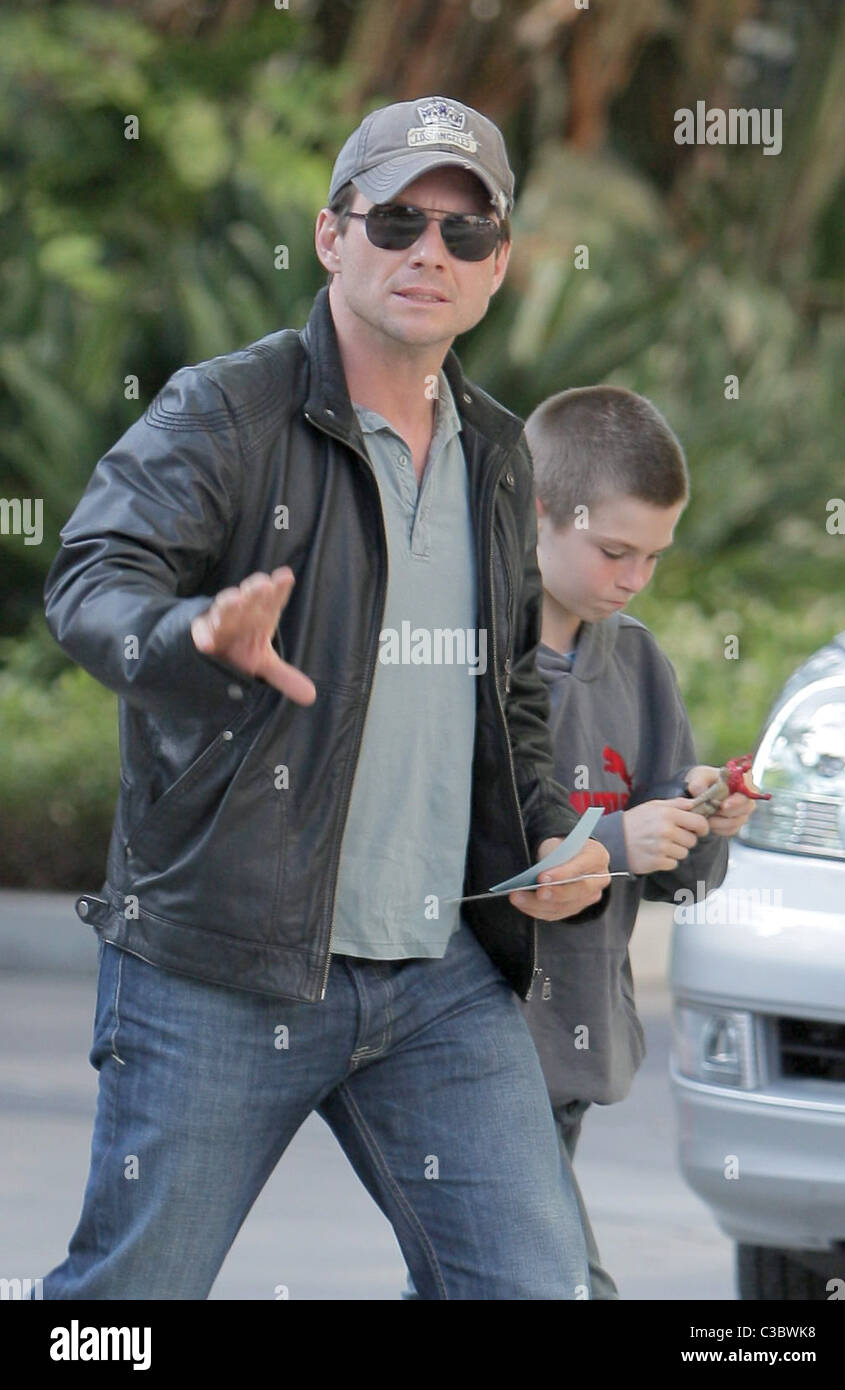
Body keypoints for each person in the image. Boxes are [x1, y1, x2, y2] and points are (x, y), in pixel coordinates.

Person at [37, 96, 613, 1301]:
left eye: (463, 234)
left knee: (539, 1287)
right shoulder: (225, 410)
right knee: (127, 1304)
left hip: (437, 968)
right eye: (397, 218)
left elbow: (505, 684)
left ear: (497, 265)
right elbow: (92, 579)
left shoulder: (499, 454)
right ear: (329, 235)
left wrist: (551, 829)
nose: (427, 253)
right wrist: (191, 635)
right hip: (225, 961)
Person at [521, 384, 759, 1296]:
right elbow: (478, 854)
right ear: (536, 514)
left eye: (655, 557)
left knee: (474, 1275)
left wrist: (702, 820)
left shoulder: (639, 661)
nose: (632, 578)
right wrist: (621, 839)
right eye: (614, 551)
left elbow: (683, 885)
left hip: (577, 1038)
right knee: (555, 1277)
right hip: (476, 1044)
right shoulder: (467, 661)